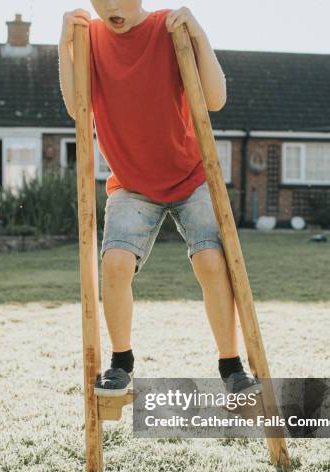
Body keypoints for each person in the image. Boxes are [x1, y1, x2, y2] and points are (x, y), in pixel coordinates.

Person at [58, 2, 261, 397]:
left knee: (211, 259)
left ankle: (231, 365)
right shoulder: (91, 37)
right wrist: (64, 46)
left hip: (191, 176)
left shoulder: (167, 27)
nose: (112, 7)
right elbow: (76, 109)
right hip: (132, 183)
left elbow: (215, 99)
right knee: (114, 263)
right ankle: (121, 361)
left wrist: (198, 34)